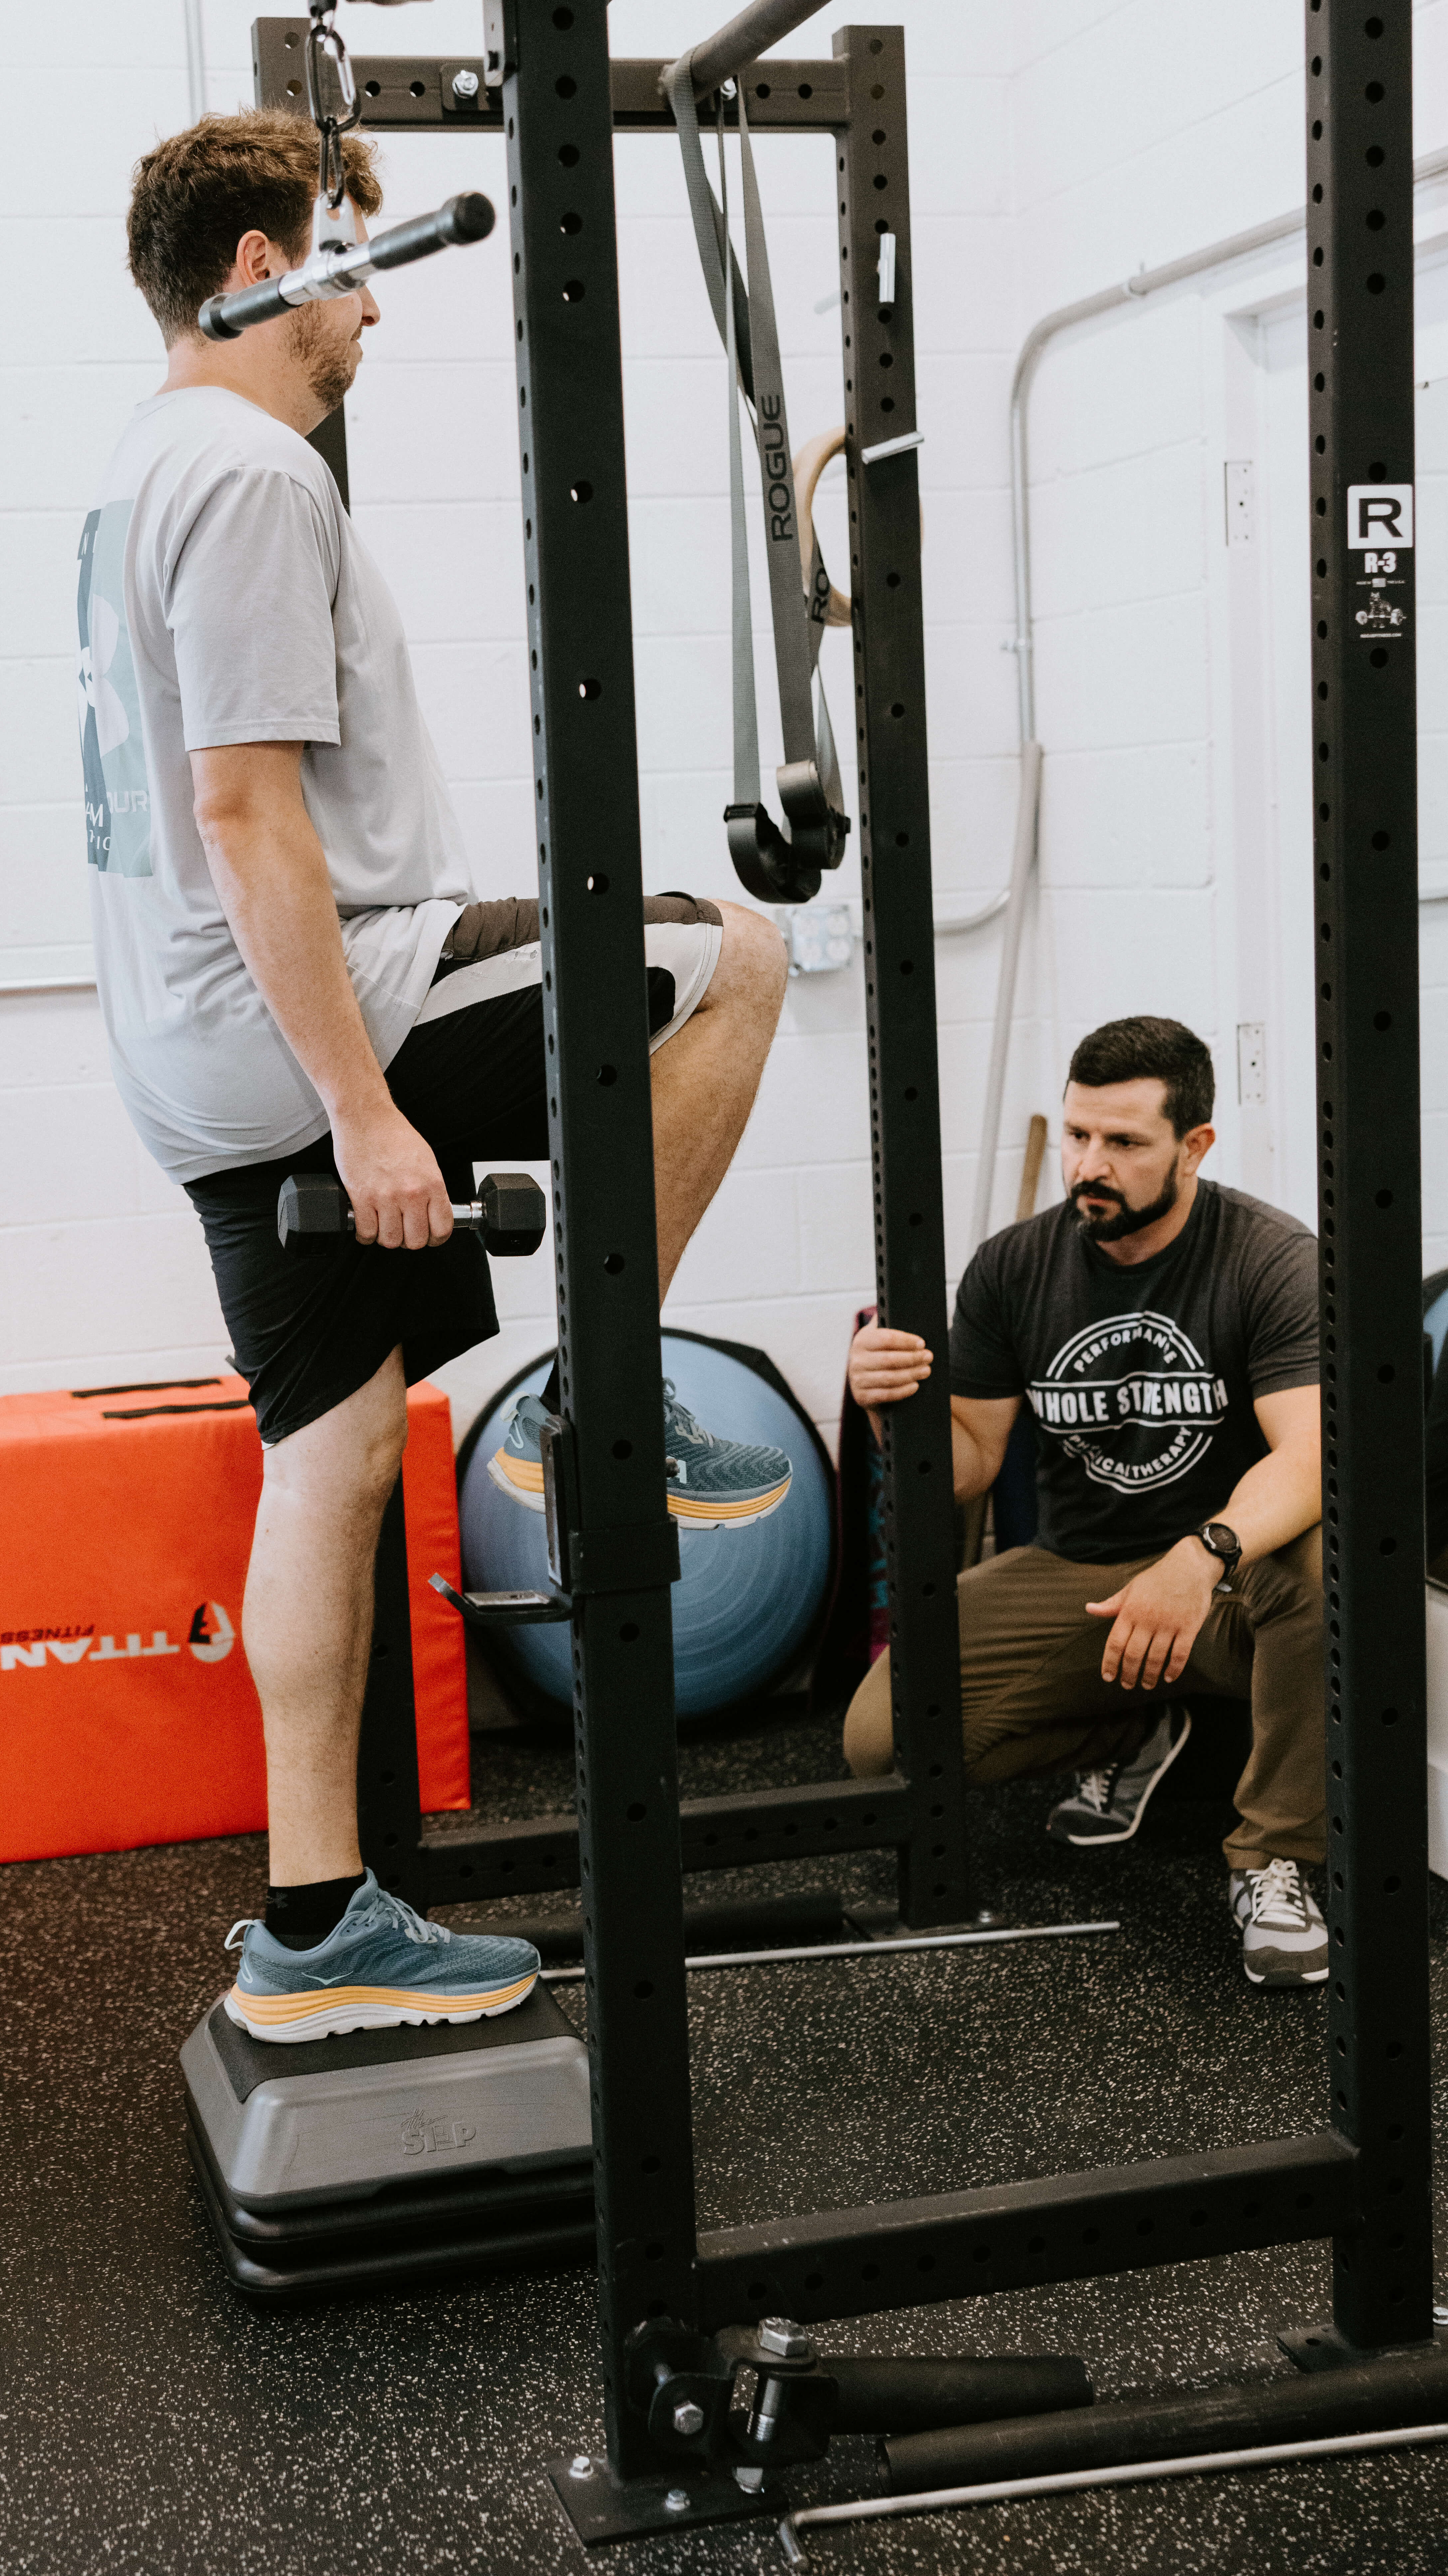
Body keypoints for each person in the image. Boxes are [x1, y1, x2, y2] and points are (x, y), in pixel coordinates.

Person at [78, 110, 791, 2046]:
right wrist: (371, 1110)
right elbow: (246, 816)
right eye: (344, 261)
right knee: (734, 955)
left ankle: (313, 1926)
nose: (371, 309)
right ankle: (605, 1393)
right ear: (254, 267)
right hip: (319, 1022)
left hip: (202, 1053)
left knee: (329, 1449)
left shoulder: (141, 461)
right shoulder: (244, 469)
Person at [843, 1016, 1326, 1990]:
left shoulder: (1270, 1260)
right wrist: (893, 1408)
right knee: (886, 1743)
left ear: (1195, 1147)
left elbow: (1314, 1458)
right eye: (1077, 1135)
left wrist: (1199, 1559)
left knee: (1327, 1567)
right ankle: (1147, 1728)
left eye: (1125, 1143)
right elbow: (972, 1460)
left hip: (1231, 1581)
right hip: (1082, 1570)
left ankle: (1275, 1857)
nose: (1088, 1166)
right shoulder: (1014, 1267)